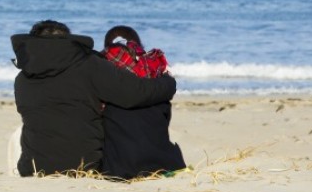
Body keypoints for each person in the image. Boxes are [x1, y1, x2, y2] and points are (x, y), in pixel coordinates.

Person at [10, 20, 176, 176]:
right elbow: (136, 93)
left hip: (33, 169)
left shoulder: (22, 80)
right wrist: (168, 83)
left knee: (25, 130)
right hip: (84, 168)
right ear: (68, 41)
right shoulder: (89, 65)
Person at [99, 25, 187, 180]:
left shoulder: (102, 83)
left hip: (120, 168)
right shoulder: (158, 78)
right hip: (165, 163)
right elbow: (164, 121)